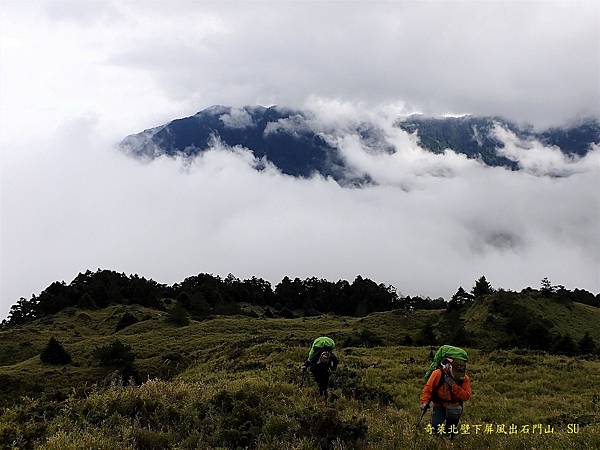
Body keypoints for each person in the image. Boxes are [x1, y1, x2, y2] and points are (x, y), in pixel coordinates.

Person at [420, 346, 471, 437]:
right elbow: (428, 388)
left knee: (450, 430)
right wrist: (424, 402)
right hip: (439, 405)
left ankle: (449, 440)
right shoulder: (437, 373)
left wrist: (454, 386)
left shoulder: (464, 378)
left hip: (454, 407)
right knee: (435, 427)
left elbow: (466, 396)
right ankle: (435, 441)